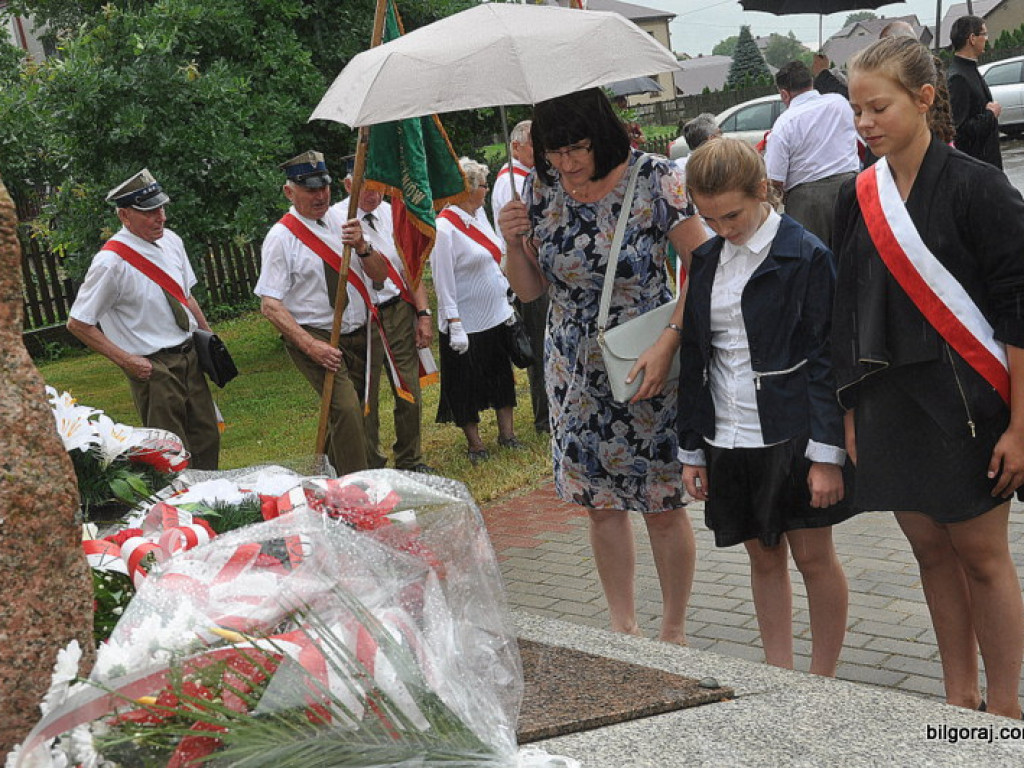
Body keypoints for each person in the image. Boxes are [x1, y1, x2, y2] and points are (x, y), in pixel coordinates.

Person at [834, 35, 1024, 717]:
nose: (865, 123)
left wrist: (1022, 427)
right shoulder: (857, 197)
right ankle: (955, 700)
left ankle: (1003, 713)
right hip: (892, 403)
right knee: (928, 553)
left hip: (969, 405)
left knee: (980, 556)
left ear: (922, 99)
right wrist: (851, 416)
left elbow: (1017, 309)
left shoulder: (978, 186)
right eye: (856, 110)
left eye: (877, 107)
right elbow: (847, 310)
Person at [497, 88, 708, 643]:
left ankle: (674, 628)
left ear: (601, 134)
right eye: (554, 152)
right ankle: (623, 626)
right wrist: (513, 242)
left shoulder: (655, 178)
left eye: (577, 149)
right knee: (599, 504)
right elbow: (529, 289)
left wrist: (670, 340)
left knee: (661, 502)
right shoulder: (538, 188)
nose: (566, 163)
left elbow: (702, 266)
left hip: (647, 360)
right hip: (573, 369)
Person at [678, 138, 852, 676]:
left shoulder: (805, 255)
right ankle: (779, 673)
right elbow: (696, 354)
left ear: (763, 190)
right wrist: (692, 449)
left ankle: (822, 679)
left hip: (794, 431)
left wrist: (827, 455)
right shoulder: (705, 259)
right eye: (709, 219)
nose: (723, 229)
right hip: (729, 433)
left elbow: (827, 358)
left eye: (731, 214)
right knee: (762, 555)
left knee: (813, 557)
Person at [67, 169, 220, 469]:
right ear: (125, 215)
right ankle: (179, 512)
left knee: (207, 438)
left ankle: (212, 504)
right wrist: (128, 361)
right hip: (153, 367)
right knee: (170, 453)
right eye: (150, 212)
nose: (160, 217)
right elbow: (78, 323)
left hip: (190, 356)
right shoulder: (110, 263)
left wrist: (209, 338)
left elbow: (185, 297)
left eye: (161, 208)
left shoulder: (172, 241)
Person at [255, 150, 389, 475]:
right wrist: (310, 345)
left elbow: (380, 274)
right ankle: (357, 490)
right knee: (346, 411)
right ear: (290, 191)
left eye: (324, 186)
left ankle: (325, 481)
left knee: (357, 412)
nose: (320, 195)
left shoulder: (345, 221)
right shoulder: (281, 238)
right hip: (316, 337)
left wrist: (363, 247)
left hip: (358, 334)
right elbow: (270, 305)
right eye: (310, 189)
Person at [338, 171, 435, 473]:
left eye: (380, 187)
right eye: (367, 187)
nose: (374, 194)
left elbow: (411, 268)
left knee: (410, 391)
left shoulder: (393, 213)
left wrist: (423, 314)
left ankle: (410, 458)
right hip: (363, 319)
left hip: (397, 312)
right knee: (366, 399)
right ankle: (372, 465)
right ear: (348, 185)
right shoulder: (335, 220)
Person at [432, 156, 522, 464]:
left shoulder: (479, 215)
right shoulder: (445, 226)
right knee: (465, 384)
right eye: (483, 185)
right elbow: (442, 278)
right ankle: (475, 445)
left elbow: (493, 257)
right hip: (465, 320)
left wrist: (506, 296)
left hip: (494, 313)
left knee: (500, 377)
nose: (487, 189)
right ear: (467, 189)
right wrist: (452, 320)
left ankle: (507, 435)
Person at [491, 120, 550, 435]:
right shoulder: (511, 182)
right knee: (540, 347)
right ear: (515, 146)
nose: (539, 150)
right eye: (533, 144)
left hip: (533, 267)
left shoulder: (524, 177)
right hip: (525, 270)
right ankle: (545, 418)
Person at [764, 60, 860, 248]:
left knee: (813, 261)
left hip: (807, 202)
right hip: (850, 187)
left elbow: (774, 178)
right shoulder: (840, 103)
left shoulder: (784, 123)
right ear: (811, 83)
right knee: (854, 255)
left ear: (784, 94)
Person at [948, 15, 1003, 169]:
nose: (986, 39)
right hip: (976, 168)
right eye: (984, 34)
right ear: (972, 38)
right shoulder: (958, 77)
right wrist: (990, 115)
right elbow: (959, 131)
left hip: (986, 166)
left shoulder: (969, 69)